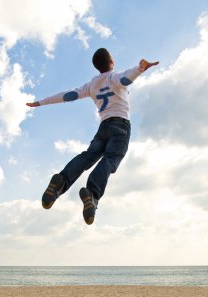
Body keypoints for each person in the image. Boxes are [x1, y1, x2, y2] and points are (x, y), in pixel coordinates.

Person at [26, 48, 159, 225]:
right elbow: (126, 78)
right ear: (111, 61)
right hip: (120, 127)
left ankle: (62, 180)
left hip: (103, 128)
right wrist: (140, 69)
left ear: (97, 67)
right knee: (111, 159)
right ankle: (92, 193)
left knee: (88, 156)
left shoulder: (91, 85)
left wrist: (41, 102)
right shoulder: (114, 77)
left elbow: (68, 96)